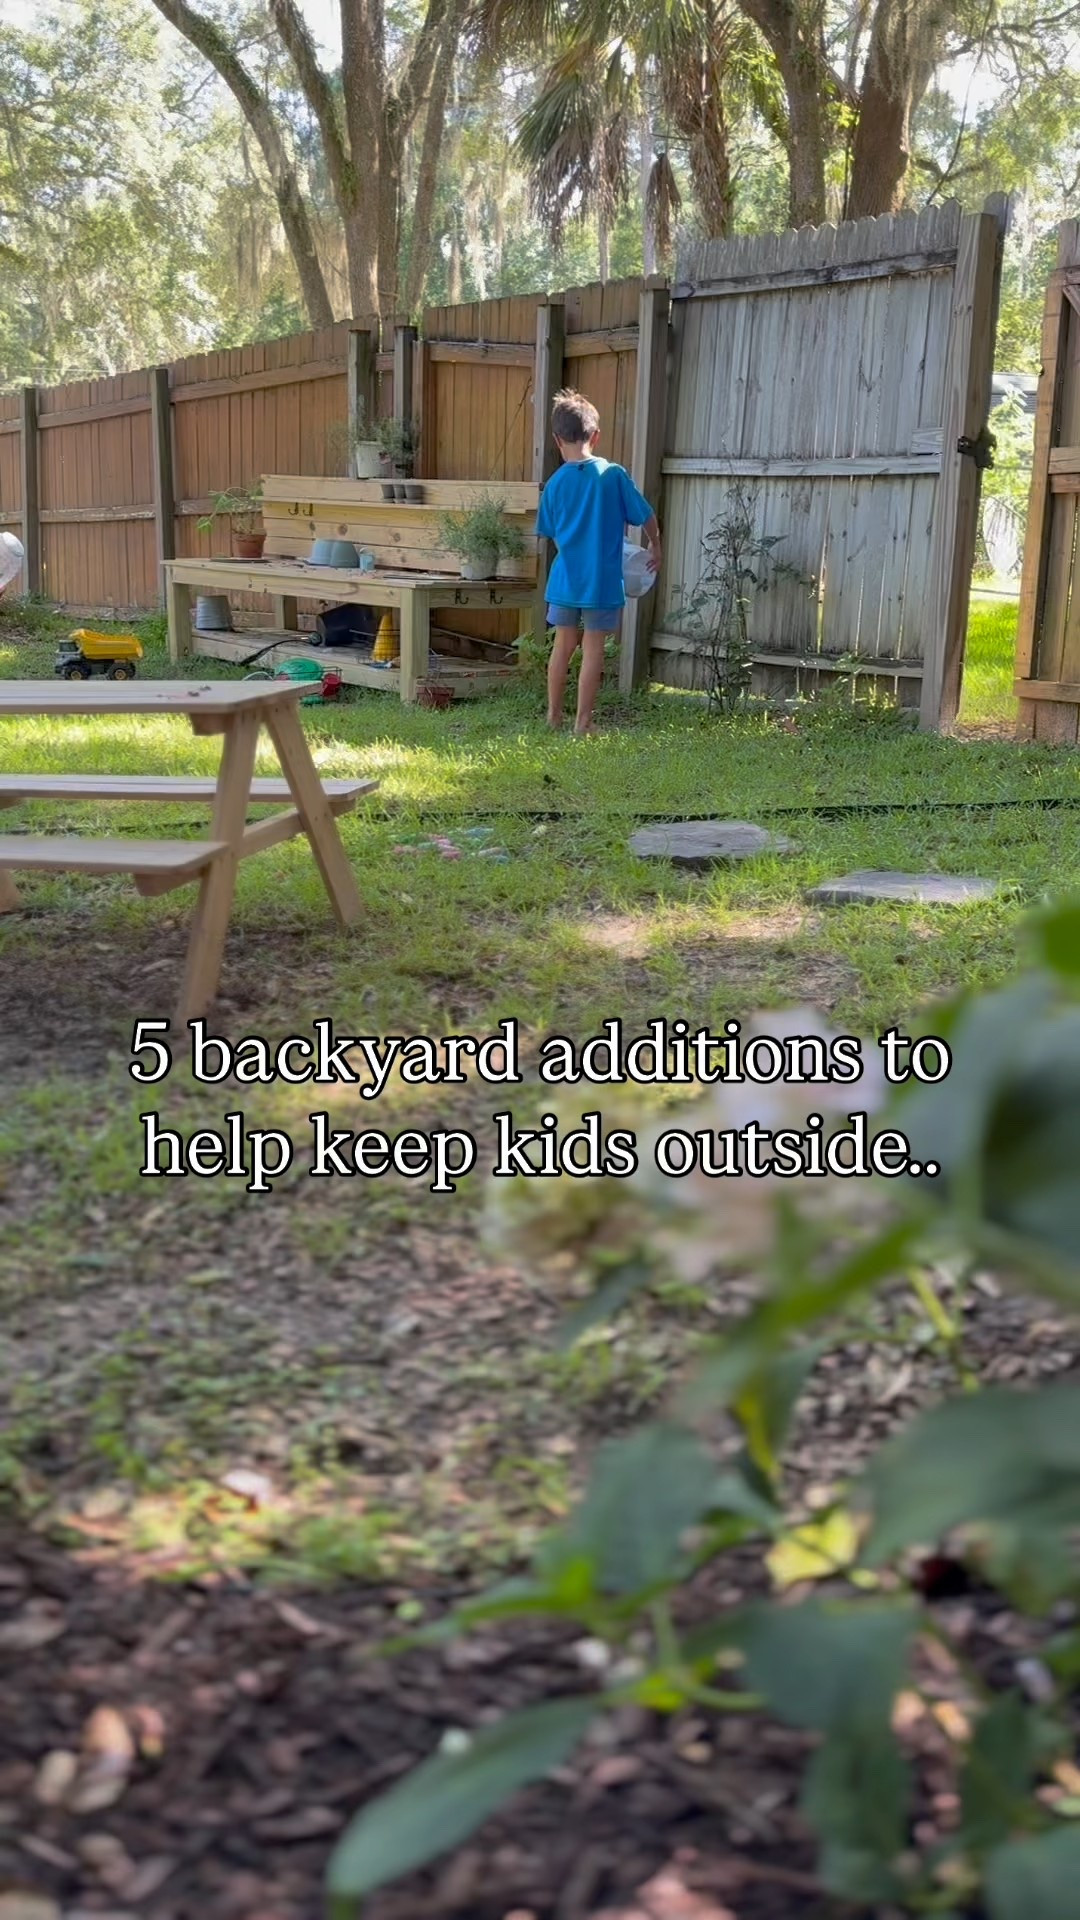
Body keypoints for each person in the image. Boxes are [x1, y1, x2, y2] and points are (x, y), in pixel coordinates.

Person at [536, 390, 661, 734]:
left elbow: (549, 532)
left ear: (556, 439)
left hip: (564, 580)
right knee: (593, 650)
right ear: (596, 436)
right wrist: (656, 543)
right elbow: (645, 515)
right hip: (602, 581)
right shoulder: (613, 475)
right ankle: (583, 723)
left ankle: (553, 716)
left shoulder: (554, 484)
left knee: (562, 647)